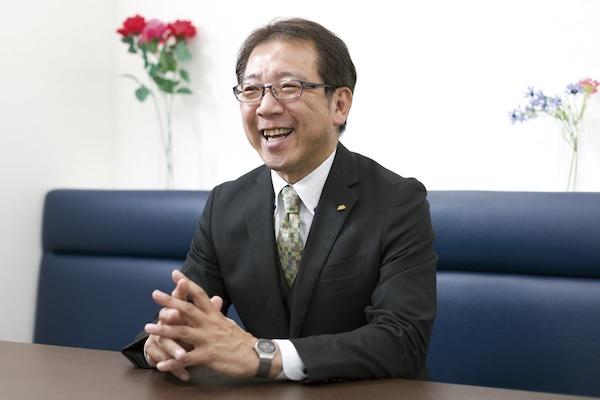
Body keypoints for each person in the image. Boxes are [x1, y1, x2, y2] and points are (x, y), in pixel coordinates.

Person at [122, 17, 437, 383]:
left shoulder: (397, 201)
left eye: (289, 87)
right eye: (252, 90)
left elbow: (402, 341)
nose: (266, 107)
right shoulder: (226, 204)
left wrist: (264, 355)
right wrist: (162, 344)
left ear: (339, 104)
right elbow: (185, 317)